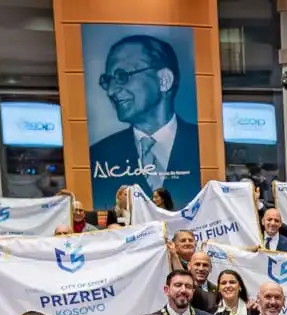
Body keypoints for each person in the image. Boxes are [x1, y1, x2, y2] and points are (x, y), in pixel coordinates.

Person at [86, 34, 202, 205]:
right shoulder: (97, 155)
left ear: (164, 80)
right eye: (107, 80)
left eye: (122, 76)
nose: (110, 91)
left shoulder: (203, 145)